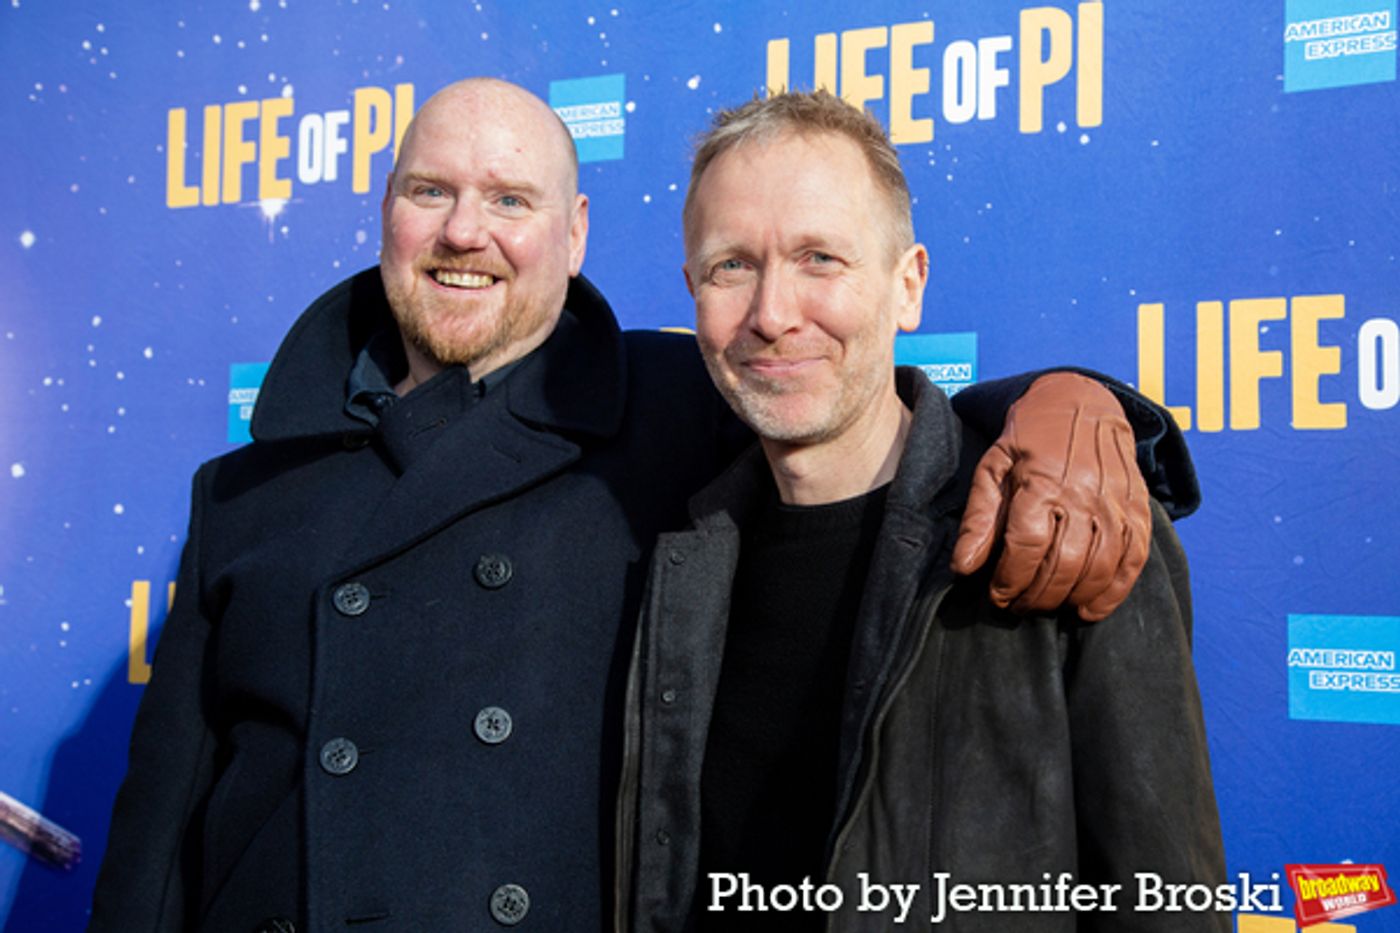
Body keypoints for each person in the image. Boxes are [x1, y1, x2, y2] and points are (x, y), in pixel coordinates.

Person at [89, 79, 1197, 932]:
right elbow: (153, 843)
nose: (466, 232)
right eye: (430, 192)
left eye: (511, 199)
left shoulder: (659, 414)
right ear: (385, 215)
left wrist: (1075, 403)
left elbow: (863, 407)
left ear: (572, 236)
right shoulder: (246, 489)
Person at [615, 91, 1225, 932]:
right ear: (691, 289)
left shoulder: (1062, 525)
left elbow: (1167, 905)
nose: (772, 314)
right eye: (732, 266)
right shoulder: (671, 546)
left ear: (909, 286)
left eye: (820, 258)